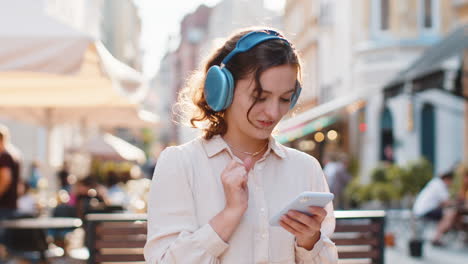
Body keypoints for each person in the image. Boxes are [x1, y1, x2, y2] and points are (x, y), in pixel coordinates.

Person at [144, 28, 337, 263]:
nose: (274, 112)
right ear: (222, 89)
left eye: (285, 98)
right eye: (259, 96)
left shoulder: (305, 168)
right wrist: (229, 215)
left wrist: (310, 242)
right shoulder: (180, 164)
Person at [412, 171, 456, 246]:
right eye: (451, 181)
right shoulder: (440, 185)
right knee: (450, 214)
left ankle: (439, 236)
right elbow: (446, 202)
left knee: (449, 213)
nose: (451, 183)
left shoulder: (434, 183)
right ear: (447, 179)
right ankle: (436, 238)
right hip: (425, 211)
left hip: (420, 210)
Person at [0, 125, 21, 219]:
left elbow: (5, 178)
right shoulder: (13, 154)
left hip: (4, 206)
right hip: (10, 205)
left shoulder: (5, 156)